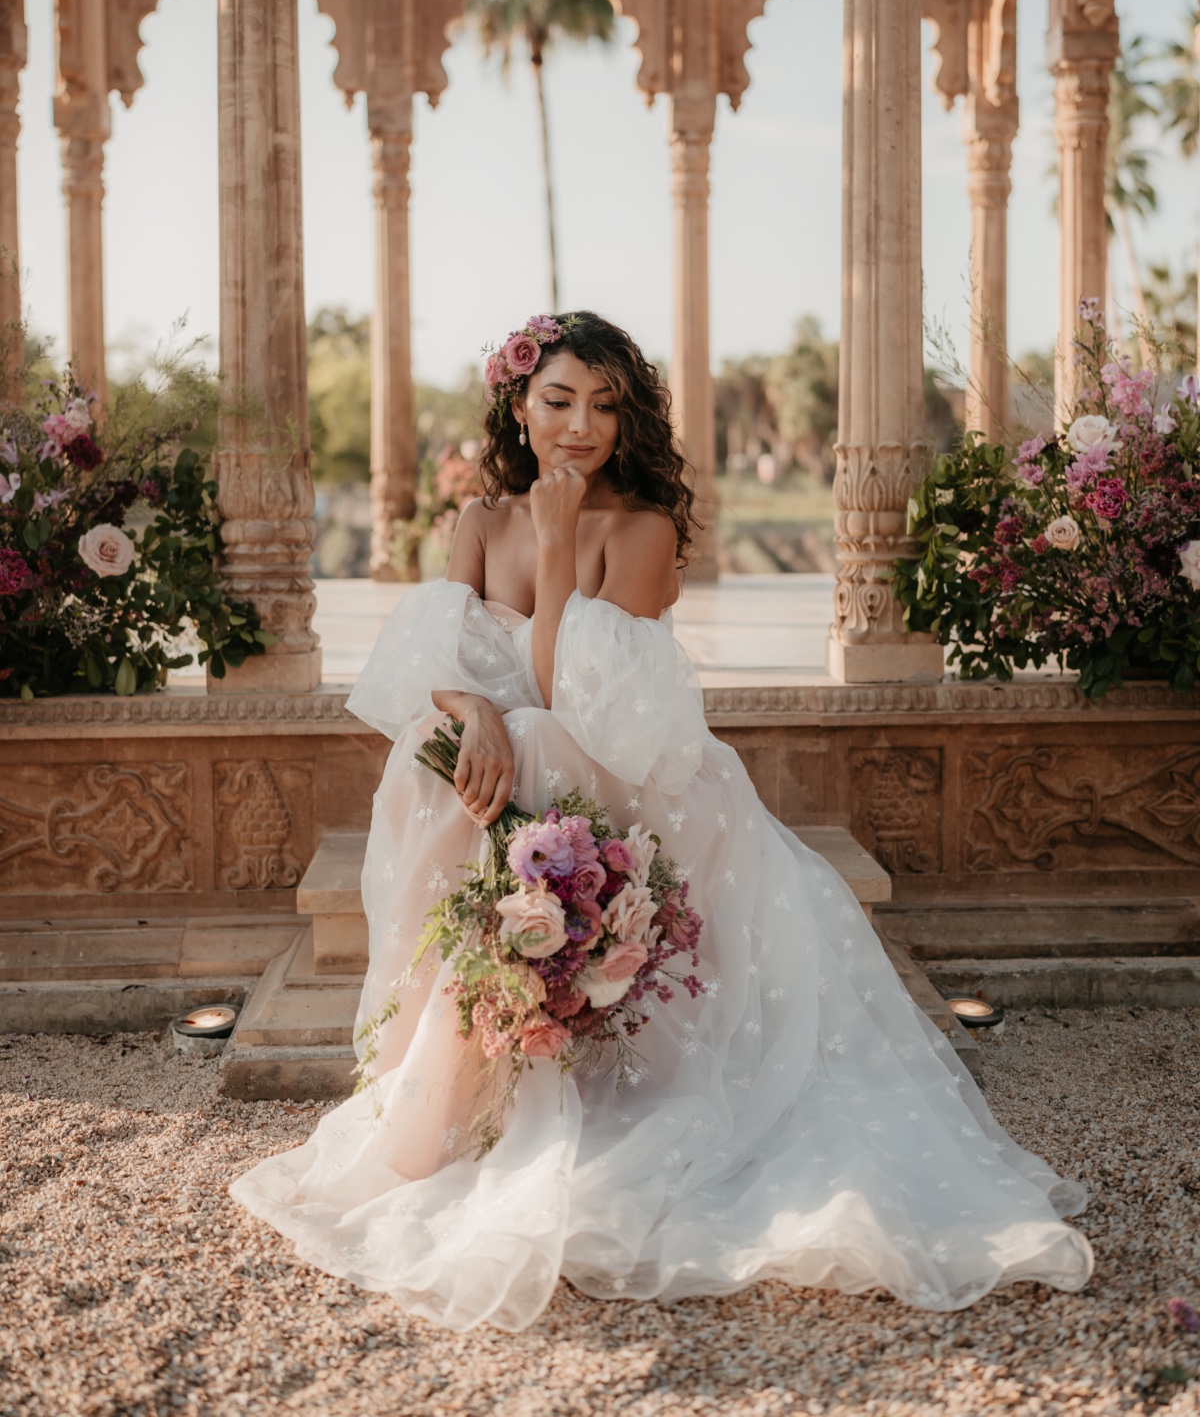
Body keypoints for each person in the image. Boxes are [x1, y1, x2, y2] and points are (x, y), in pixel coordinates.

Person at [232, 310, 1093, 1332]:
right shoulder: (476, 519)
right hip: (520, 779)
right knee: (437, 757)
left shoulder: (641, 530)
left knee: (542, 742)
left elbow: (570, 694)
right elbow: (435, 667)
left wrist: (556, 553)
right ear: (519, 403)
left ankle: (541, 1027)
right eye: (558, 399)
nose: (582, 424)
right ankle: (466, 1054)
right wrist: (475, 715)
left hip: (625, 780)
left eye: (605, 403)